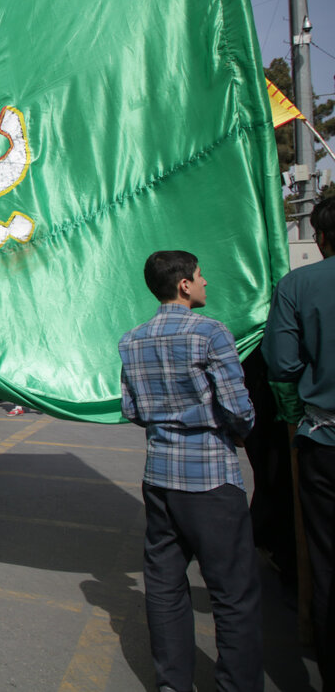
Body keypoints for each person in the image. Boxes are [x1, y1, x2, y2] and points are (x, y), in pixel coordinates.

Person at [118, 250, 261, 692]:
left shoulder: (132, 339)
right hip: (211, 478)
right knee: (232, 594)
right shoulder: (212, 333)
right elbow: (238, 409)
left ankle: (172, 684)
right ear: (184, 284)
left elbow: (133, 409)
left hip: (159, 477)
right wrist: (238, 429)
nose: (205, 283)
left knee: (164, 588)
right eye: (201, 276)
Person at [262, 196, 335, 689]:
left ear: (321, 237)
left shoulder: (298, 284)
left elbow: (282, 364)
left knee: (327, 560)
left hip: (325, 442)